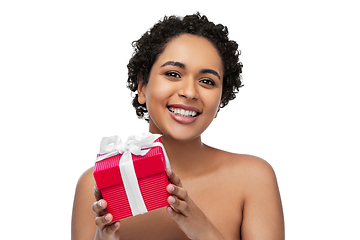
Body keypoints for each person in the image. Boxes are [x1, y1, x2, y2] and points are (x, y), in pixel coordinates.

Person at [71, 13, 284, 240]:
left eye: (207, 81)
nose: (190, 92)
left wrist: (201, 228)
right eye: (173, 74)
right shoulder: (95, 185)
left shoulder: (253, 179)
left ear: (221, 99)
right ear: (142, 86)